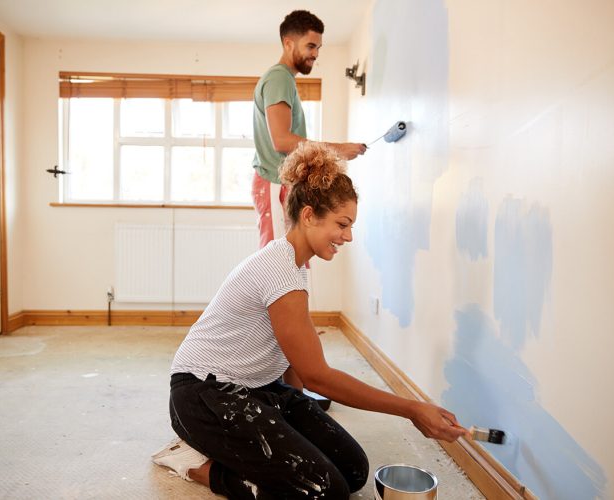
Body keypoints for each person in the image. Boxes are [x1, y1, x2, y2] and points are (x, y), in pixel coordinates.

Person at [153, 142, 468, 499]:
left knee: (353, 470)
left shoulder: (295, 265)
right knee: (324, 491)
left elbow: (292, 361)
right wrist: (412, 409)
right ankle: (193, 462)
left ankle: (242, 452)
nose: (348, 236)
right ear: (307, 216)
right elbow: (319, 375)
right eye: (342, 224)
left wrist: (294, 425)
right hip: (203, 395)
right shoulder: (279, 272)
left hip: (257, 387)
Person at [252, 9, 367, 248]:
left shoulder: (284, 80)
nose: (315, 54)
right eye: (310, 46)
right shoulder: (278, 79)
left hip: (281, 184)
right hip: (274, 181)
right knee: (278, 263)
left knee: (291, 259)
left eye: (319, 48)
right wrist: (338, 150)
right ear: (288, 43)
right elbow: (282, 140)